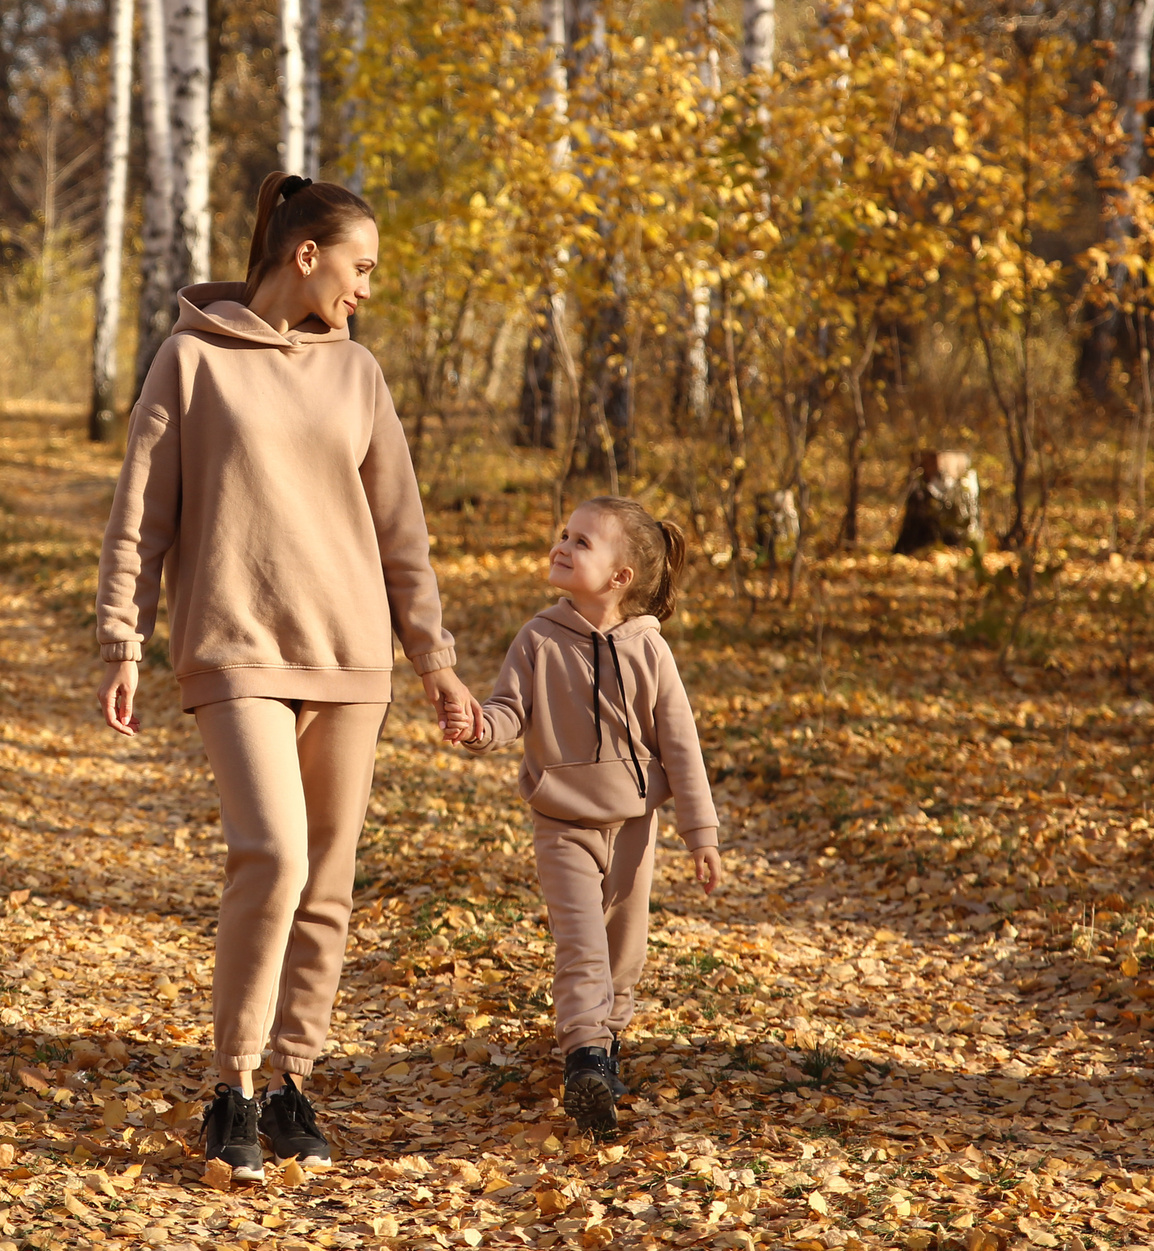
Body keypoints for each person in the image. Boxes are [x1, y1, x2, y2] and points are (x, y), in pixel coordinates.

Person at [96, 172, 479, 1183]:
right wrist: (120, 639)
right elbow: (144, 518)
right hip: (233, 646)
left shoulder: (359, 376)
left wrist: (433, 661)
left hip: (350, 656)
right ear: (304, 255)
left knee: (330, 881)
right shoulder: (188, 363)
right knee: (271, 854)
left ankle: (291, 1082)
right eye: (359, 267)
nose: (366, 289)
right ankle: (229, 1085)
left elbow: (403, 533)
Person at [463, 496, 725, 1136]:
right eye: (564, 534)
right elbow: (507, 711)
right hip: (562, 820)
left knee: (622, 950)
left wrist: (701, 835)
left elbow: (681, 747)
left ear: (619, 578)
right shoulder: (538, 638)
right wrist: (477, 726)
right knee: (580, 943)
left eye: (582, 541)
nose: (562, 545)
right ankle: (582, 1055)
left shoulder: (649, 652)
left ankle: (605, 1054)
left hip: (634, 823)